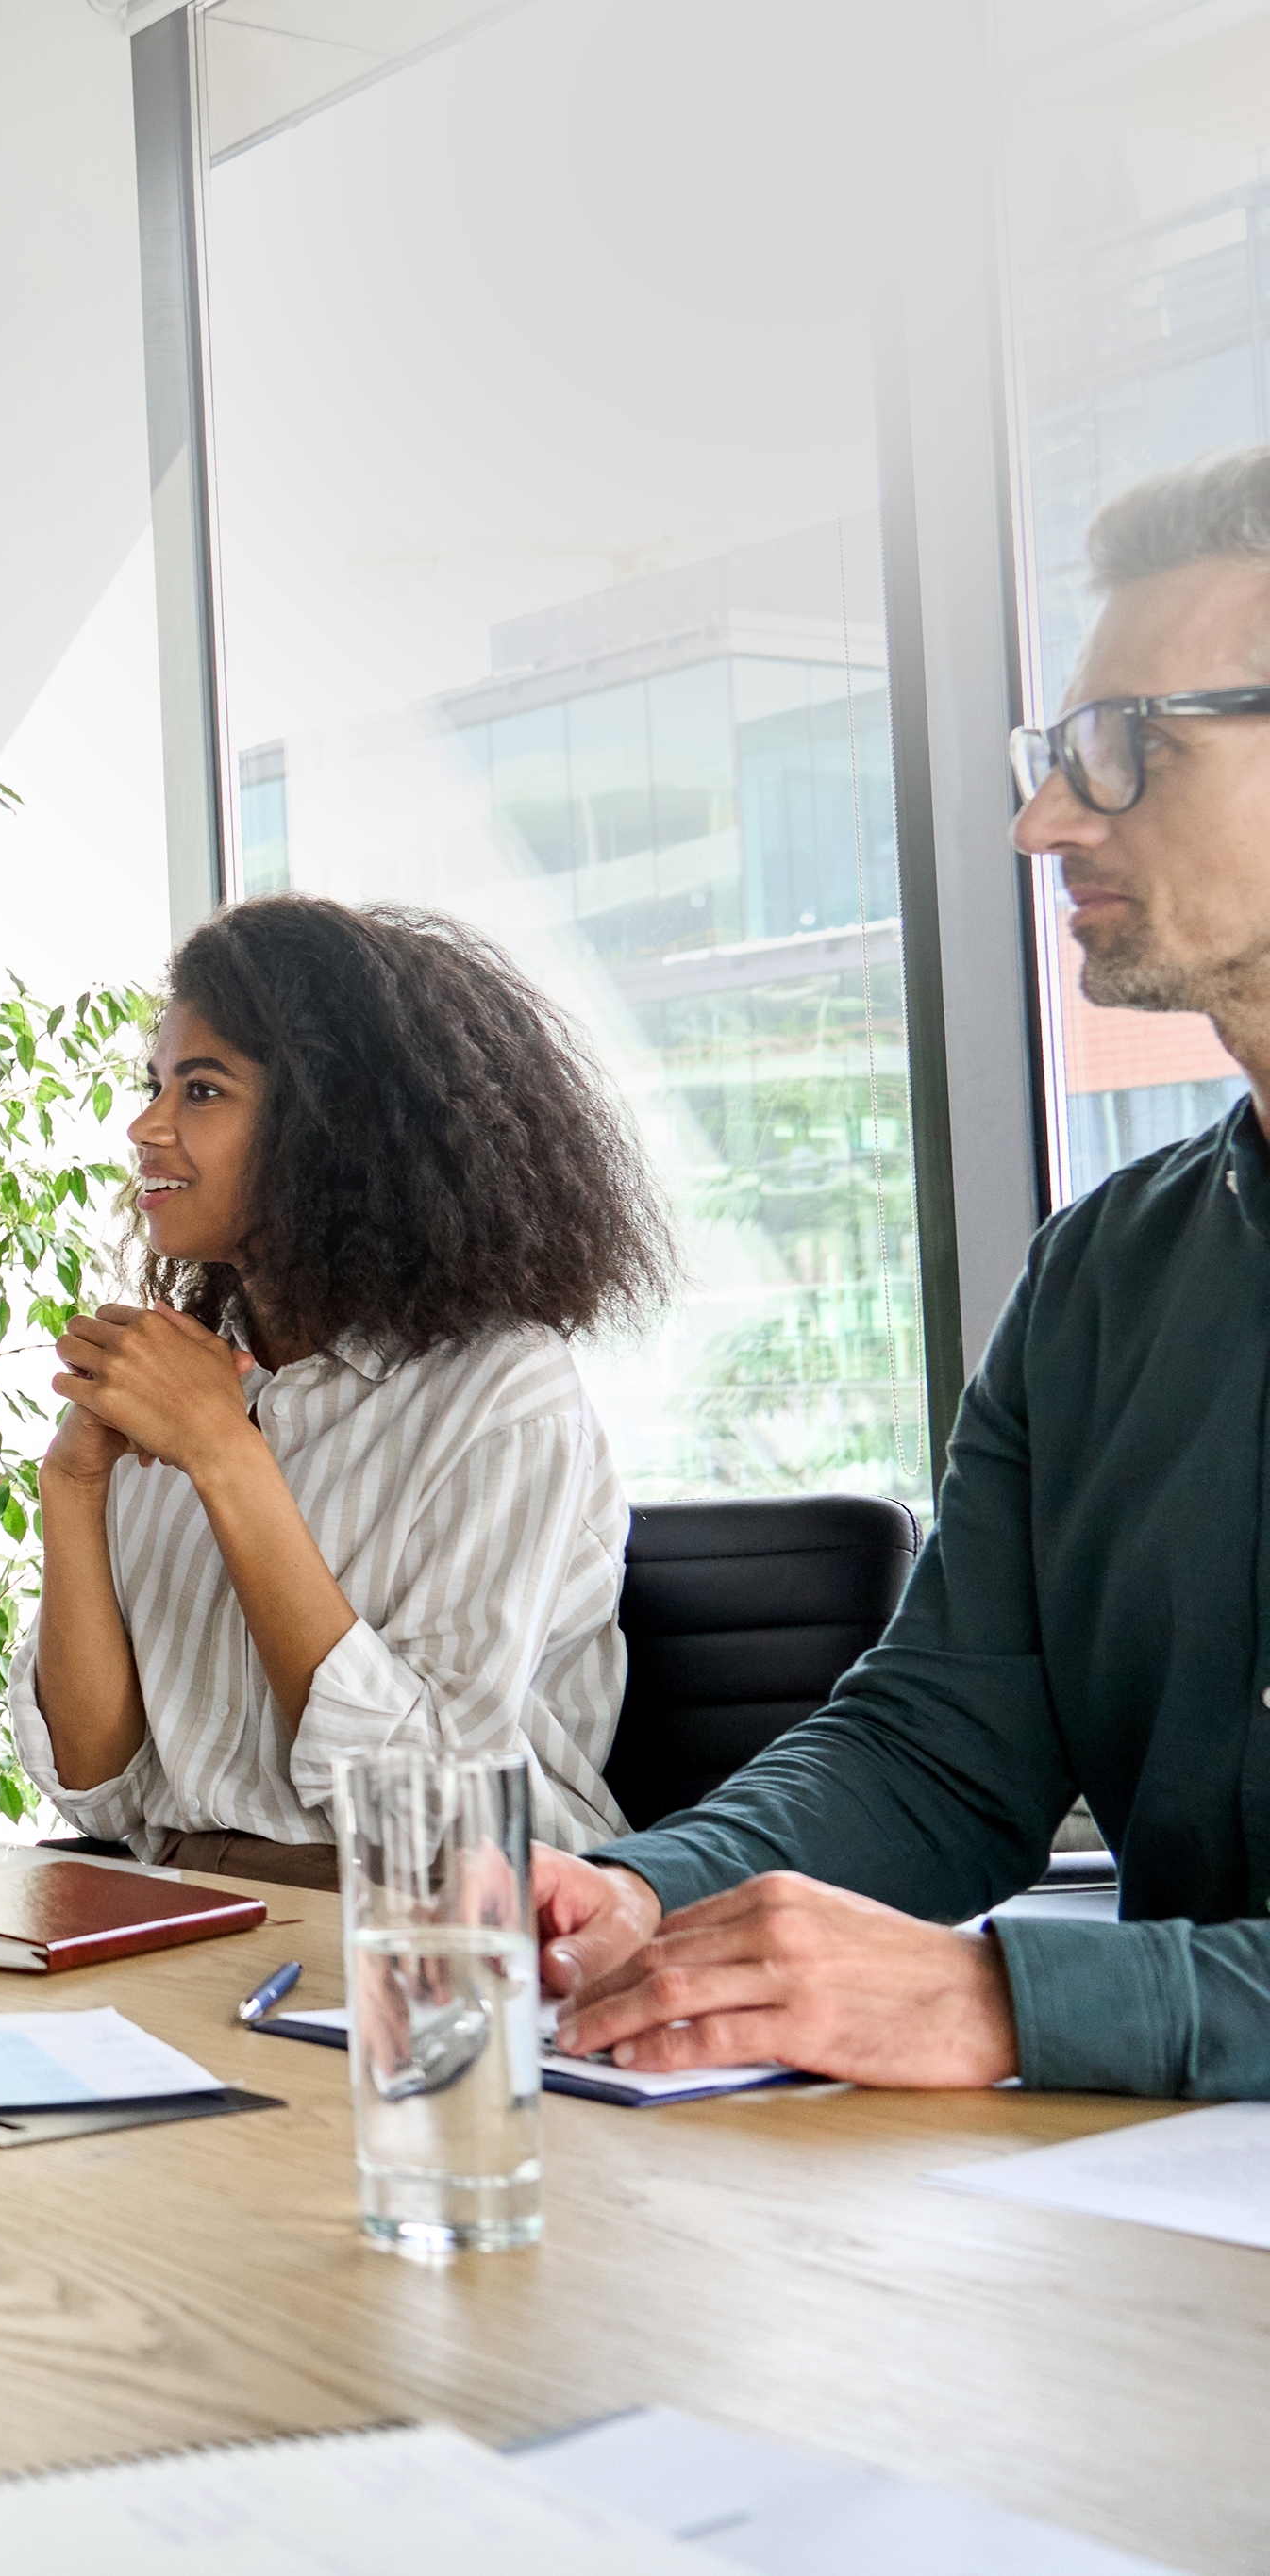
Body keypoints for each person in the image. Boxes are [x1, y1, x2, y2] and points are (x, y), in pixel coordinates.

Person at [542, 446, 1270, 2102]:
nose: (1042, 820)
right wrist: (647, 1890)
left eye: (1124, 749)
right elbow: (940, 1750)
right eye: (1056, 754)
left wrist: (1011, 2002)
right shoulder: (1103, 1276)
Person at [17, 897, 670, 1888]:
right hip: (182, 1903)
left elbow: (431, 1805)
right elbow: (97, 1785)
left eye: (200, 1091)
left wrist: (228, 1458)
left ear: (330, 1123)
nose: (144, 1127)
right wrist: (70, 1486)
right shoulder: (185, 1376)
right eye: (155, 1085)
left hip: (436, 1931)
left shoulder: (502, 1392)